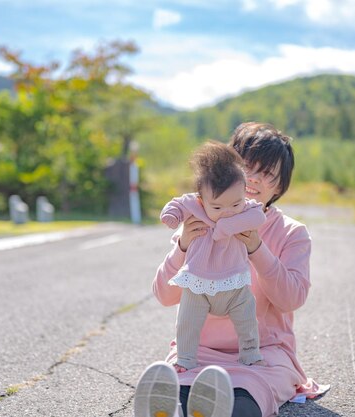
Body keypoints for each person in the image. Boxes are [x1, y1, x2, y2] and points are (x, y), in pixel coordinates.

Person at [134, 123, 329, 417]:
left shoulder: (292, 233)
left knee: (239, 403)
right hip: (197, 353)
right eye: (247, 167)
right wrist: (183, 246)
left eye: (268, 174)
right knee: (177, 396)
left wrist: (255, 248)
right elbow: (163, 295)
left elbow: (292, 299)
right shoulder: (199, 220)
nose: (253, 179)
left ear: (279, 187)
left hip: (263, 356)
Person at [160, 141, 267, 373]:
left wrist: (226, 226)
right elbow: (175, 204)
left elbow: (258, 217)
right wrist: (171, 216)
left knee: (247, 316)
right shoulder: (193, 205)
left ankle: (250, 354)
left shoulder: (247, 210)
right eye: (217, 208)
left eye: (235, 204)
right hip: (198, 283)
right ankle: (185, 359)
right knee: (187, 321)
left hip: (234, 283)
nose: (228, 211)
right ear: (201, 200)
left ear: (244, 192)